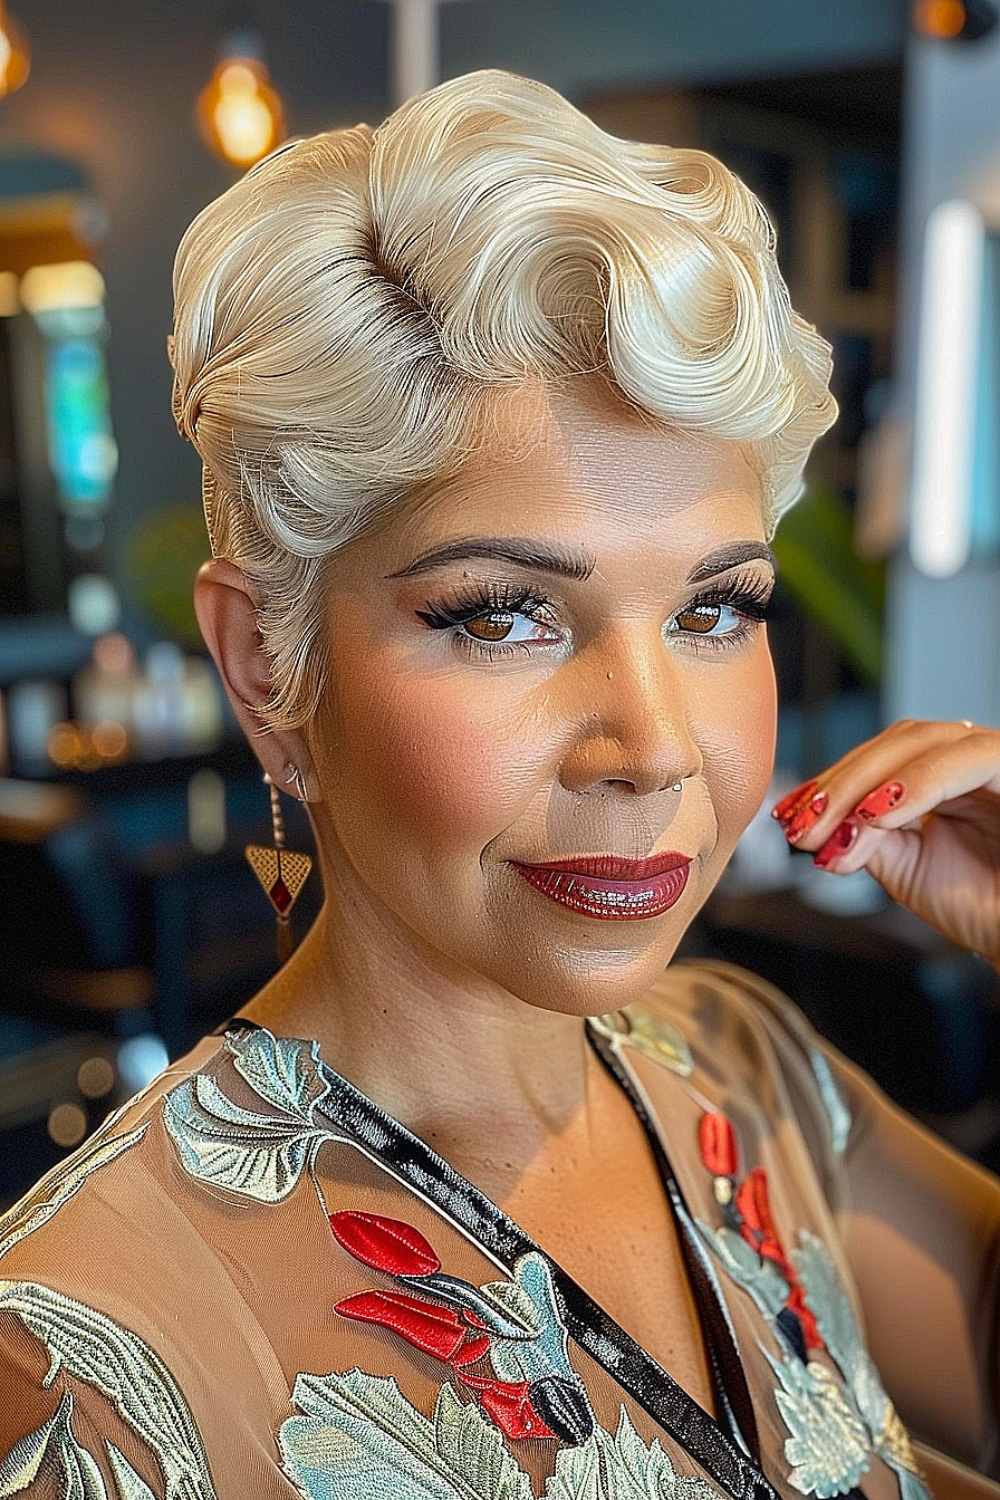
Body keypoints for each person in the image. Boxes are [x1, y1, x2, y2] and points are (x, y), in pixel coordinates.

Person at [1, 68, 998, 1500]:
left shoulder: (739, 1065)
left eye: (716, 609)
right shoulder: (87, 1371)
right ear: (269, 663)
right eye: (501, 613)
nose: (653, 746)